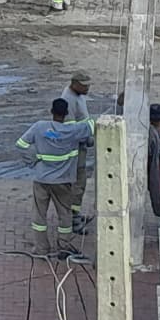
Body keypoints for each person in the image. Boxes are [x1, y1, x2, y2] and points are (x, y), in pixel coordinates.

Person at [16, 98, 95, 258]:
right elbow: (92, 126)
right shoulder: (74, 130)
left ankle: (41, 248)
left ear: (51, 111)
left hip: (41, 180)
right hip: (63, 182)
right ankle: (64, 247)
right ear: (66, 114)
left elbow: (21, 144)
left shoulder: (39, 127)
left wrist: (34, 160)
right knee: (64, 215)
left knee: (39, 215)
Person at [60, 70, 95, 233]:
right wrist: (87, 137)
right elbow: (70, 129)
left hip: (80, 146)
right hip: (74, 151)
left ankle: (75, 213)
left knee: (80, 183)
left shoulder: (78, 96)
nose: (88, 89)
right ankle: (73, 219)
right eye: (84, 86)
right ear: (75, 84)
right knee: (77, 183)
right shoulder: (68, 99)